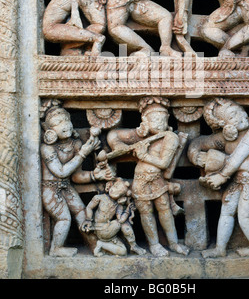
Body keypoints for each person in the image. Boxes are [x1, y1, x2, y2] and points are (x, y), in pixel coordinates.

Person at [106, 97, 190, 257]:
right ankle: (154, 245)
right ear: (146, 122)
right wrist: (124, 145)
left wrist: (143, 155)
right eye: (154, 120)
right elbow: (113, 135)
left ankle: (174, 243)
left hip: (157, 180)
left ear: (167, 120)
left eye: (162, 119)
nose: (158, 123)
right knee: (146, 213)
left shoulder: (169, 137)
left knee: (164, 211)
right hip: (140, 181)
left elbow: (164, 163)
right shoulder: (145, 136)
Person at [187, 98, 249, 257]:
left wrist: (221, 176)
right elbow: (201, 142)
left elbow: (237, 158)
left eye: (238, 111)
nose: (240, 116)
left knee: (245, 216)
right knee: (226, 212)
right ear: (225, 126)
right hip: (236, 181)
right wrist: (193, 153)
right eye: (232, 117)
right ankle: (220, 249)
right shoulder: (225, 140)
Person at [40, 100, 114, 257]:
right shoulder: (47, 148)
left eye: (66, 120)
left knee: (82, 213)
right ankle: (55, 249)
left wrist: (95, 175)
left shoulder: (76, 144)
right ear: (49, 131)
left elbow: (75, 175)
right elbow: (60, 172)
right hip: (50, 189)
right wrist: (83, 153)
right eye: (58, 123)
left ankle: (94, 245)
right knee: (64, 218)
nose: (65, 125)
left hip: (66, 187)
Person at [81, 178, 146, 256]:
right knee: (122, 224)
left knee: (123, 252)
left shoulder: (118, 206)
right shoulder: (100, 198)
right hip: (101, 229)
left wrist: (127, 209)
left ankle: (101, 245)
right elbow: (89, 207)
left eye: (119, 192)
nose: (114, 190)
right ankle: (134, 245)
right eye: (115, 187)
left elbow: (121, 219)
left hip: (109, 232)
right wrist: (88, 220)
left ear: (122, 197)